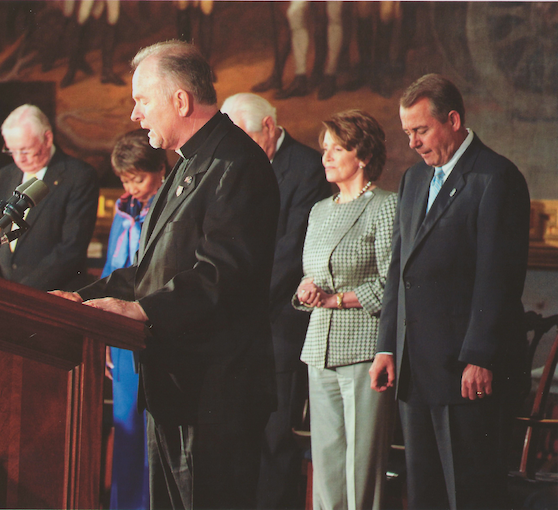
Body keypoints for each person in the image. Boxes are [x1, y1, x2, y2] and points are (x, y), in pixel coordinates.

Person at [52, 40, 280, 509]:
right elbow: (152, 270)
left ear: (180, 100)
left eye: (142, 100)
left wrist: (140, 310)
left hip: (214, 399)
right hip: (177, 391)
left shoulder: (236, 164)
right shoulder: (189, 163)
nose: (136, 115)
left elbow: (222, 275)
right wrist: (80, 298)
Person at [370, 74, 531, 509]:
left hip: (466, 373)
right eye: (407, 133)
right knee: (425, 495)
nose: (413, 144)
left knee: (470, 495)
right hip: (415, 369)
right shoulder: (412, 181)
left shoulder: (495, 177)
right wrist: (387, 347)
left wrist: (479, 355)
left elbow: (498, 278)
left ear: (453, 120)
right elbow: (398, 273)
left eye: (421, 131)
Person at [220, 92, 331, 509]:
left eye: (246, 135)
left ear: (268, 126)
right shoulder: (233, 161)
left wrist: (239, 297)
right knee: (235, 433)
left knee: (273, 436)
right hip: (235, 323)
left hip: (278, 321)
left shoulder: (306, 168)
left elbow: (293, 250)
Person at [292, 110, 396, 510]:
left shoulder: (387, 206)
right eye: (324, 149)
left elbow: (391, 285)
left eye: (337, 148)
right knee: (328, 464)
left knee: (361, 467)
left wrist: (337, 299)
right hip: (319, 347)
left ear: (363, 155)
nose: (326, 157)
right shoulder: (319, 210)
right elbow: (310, 273)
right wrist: (306, 289)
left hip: (364, 348)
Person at [103, 128, 168, 510]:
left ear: (161, 168)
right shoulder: (125, 211)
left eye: (139, 177)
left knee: (152, 434)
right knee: (126, 431)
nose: (133, 187)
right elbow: (115, 266)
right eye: (126, 180)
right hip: (119, 333)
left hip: (152, 328)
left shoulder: (170, 208)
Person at [0, 104, 98, 292]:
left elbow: (70, 248)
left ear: (47, 138)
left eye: (25, 150)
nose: (19, 159)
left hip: (49, 294)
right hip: (0, 294)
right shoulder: (3, 177)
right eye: (12, 151)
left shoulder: (78, 176)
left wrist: (23, 293)